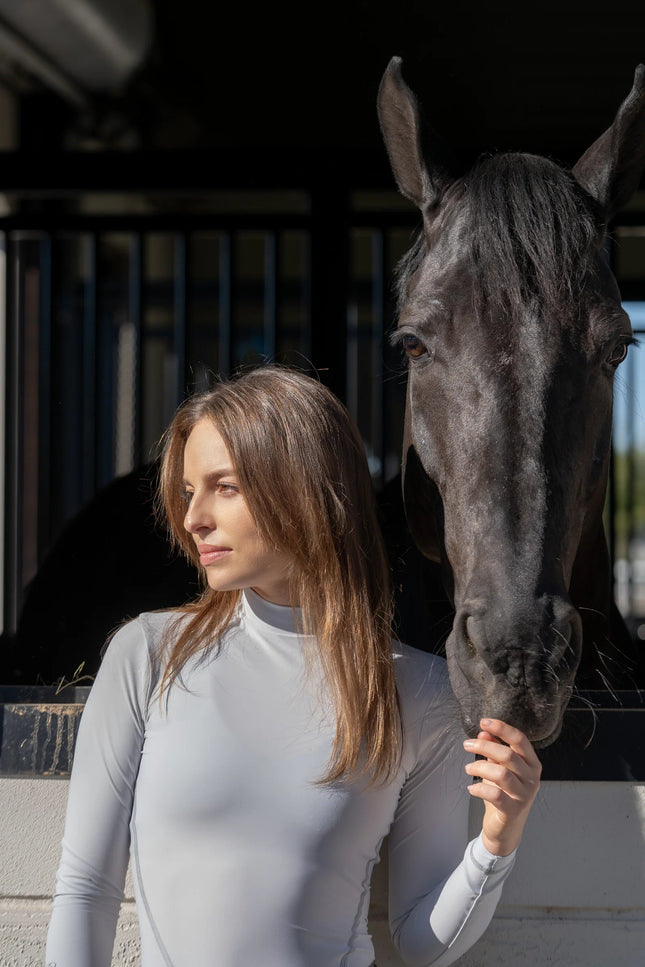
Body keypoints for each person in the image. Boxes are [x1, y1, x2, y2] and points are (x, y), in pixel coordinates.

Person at [45, 365, 541, 967]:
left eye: (224, 486)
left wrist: (497, 841)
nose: (193, 517)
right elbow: (85, 890)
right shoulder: (149, 654)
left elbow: (419, 942)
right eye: (187, 491)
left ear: (302, 489)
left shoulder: (418, 691)